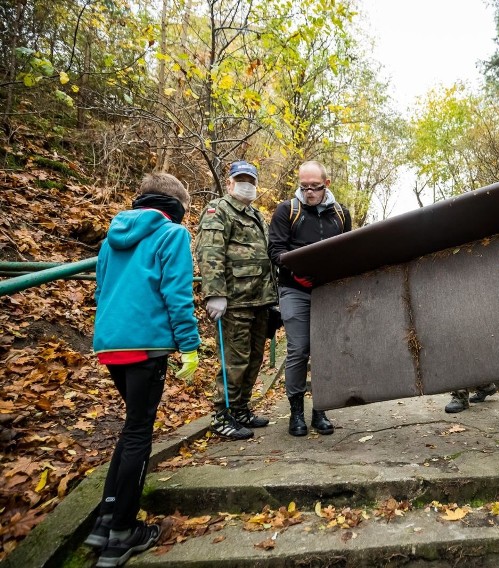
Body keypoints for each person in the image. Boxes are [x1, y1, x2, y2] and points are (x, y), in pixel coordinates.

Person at [87, 173, 200, 567]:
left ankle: (105, 518)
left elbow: (101, 289)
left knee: (131, 426)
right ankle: (123, 532)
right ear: (177, 207)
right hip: (146, 345)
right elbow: (176, 293)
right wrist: (189, 346)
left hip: (110, 342)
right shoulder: (173, 236)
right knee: (139, 433)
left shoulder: (111, 237)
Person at [195, 161, 278, 440]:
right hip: (234, 302)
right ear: (229, 183)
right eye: (240, 179)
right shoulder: (219, 210)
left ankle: (241, 409)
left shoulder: (256, 215)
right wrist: (215, 293)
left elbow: (266, 258)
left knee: (254, 359)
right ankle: (222, 414)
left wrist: (274, 297)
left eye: (251, 181)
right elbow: (210, 252)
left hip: (260, 301)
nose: (246, 185)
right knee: (235, 360)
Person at [268, 160, 351, 437]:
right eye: (304, 187)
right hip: (295, 288)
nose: (309, 193)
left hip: (327, 290)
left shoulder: (341, 214)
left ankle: (321, 409)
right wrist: (298, 271)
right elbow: (276, 249)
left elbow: (347, 250)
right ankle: (296, 412)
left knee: (325, 350)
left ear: (326, 184)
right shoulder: (287, 210)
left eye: (314, 187)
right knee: (299, 349)